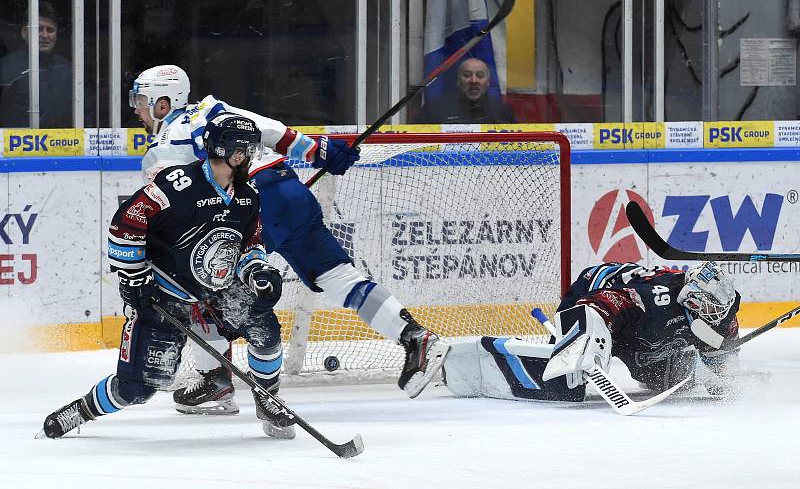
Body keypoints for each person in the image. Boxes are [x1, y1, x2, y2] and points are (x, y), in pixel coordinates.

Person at [131, 65, 450, 415]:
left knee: (199, 285)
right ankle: (415, 339)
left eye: (142, 100)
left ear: (164, 103)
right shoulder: (214, 108)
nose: (137, 109)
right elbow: (272, 131)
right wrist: (320, 151)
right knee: (338, 275)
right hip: (288, 188)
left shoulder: (164, 145)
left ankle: (215, 381)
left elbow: (174, 206)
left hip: (250, 205)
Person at [38, 113, 297, 439]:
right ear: (226, 150)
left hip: (216, 289)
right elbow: (124, 228)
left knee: (265, 329)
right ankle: (82, 410)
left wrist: (258, 270)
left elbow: (248, 245)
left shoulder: (247, 195)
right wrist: (134, 278)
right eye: (244, 150)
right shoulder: (177, 186)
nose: (249, 157)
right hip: (165, 291)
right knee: (138, 388)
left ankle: (267, 397)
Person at [442, 261, 743, 402]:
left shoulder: (724, 309)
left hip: (641, 335)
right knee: (564, 386)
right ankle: (482, 358)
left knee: (673, 380)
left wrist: (727, 378)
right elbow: (598, 303)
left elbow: (722, 355)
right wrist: (594, 345)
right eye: (709, 307)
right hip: (596, 297)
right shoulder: (657, 297)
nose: (716, 314)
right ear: (691, 298)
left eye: (718, 309)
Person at [0, 2, 72, 127]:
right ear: (24, 32)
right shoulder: (5, 67)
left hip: (64, 145)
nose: (44, 35)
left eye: (50, 30)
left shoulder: (67, 69)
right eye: (38, 29)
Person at [413, 57, 516, 124]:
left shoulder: (500, 111)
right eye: (467, 75)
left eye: (480, 76)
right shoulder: (435, 109)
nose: (473, 80)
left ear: (488, 82)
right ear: (458, 80)